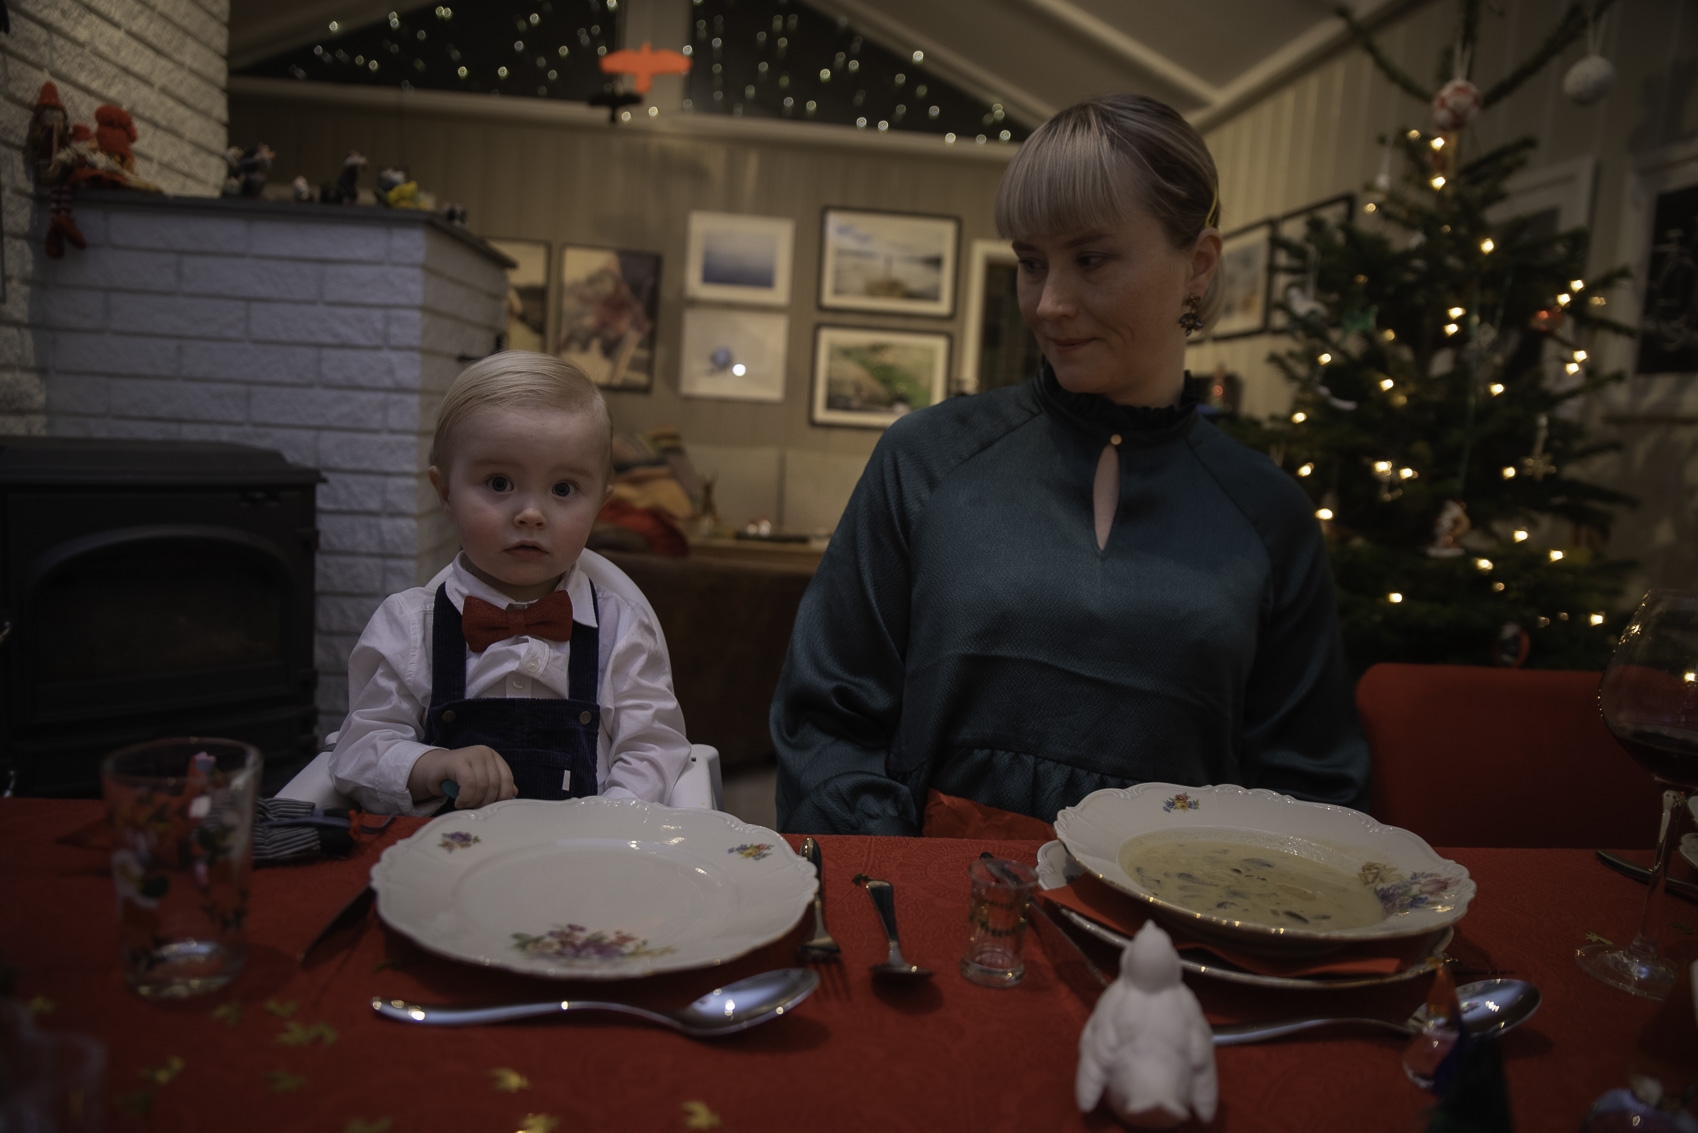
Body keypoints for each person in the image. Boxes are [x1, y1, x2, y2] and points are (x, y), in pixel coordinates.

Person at [771, 94, 1369, 836]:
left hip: (1170, 906)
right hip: (935, 896)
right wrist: (904, 876)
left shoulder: (1268, 514)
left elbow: (1310, 786)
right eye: (1031, 263)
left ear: (1198, 265)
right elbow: (825, 719)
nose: (1049, 303)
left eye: (1091, 259)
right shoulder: (925, 460)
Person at [329, 351, 690, 814]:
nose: (531, 514)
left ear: (600, 504)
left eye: (563, 489)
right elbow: (359, 750)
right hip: (445, 852)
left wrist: (609, 818)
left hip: (581, 848)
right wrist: (429, 764)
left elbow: (654, 749)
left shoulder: (622, 632)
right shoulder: (409, 627)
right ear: (445, 493)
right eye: (499, 483)